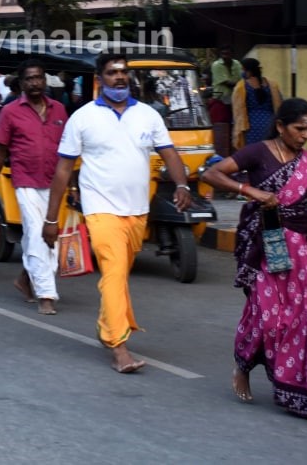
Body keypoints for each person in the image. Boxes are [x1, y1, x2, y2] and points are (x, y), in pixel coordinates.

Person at [43, 53, 194, 374]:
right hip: (100, 209)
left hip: (137, 211)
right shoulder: (82, 118)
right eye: (112, 73)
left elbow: (169, 153)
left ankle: (106, 325)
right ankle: (119, 346)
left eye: (124, 72)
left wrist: (182, 185)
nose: (120, 77)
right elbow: (63, 170)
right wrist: (51, 219)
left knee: (119, 274)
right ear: (100, 79)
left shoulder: (148, 115)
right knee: (113, 272)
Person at [200, 98, 307, 419]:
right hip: (268, 244)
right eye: (299, 129)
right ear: (281, 126)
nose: (304, 135)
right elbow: (211, 174)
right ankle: (243, 365)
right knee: (267, 318)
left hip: (303, 249)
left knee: (304, 319)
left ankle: (305, 389)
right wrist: (250, 191)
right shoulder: (258, 152)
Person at [0, 59, 68, 315]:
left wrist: (75, 185)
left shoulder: (59, 110)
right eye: (29, 79)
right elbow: (0, 152)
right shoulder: (10, 112)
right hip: (25, 182)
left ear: (45, 80)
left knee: (50, 236)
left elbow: (69, 152)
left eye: (39, 77)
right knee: (37, 234)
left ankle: (25, 278)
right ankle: (46, 294)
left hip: (55, 183)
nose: (35, 83)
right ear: (21, 83)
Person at [231, 58, 282, 150]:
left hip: (251, 127)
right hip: (271, 124)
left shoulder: (241, 87)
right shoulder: (272, 85)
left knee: (253, 153)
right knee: (270, 151)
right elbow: (280, 103)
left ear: (248, 71)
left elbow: (238, 111)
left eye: (242, 69)